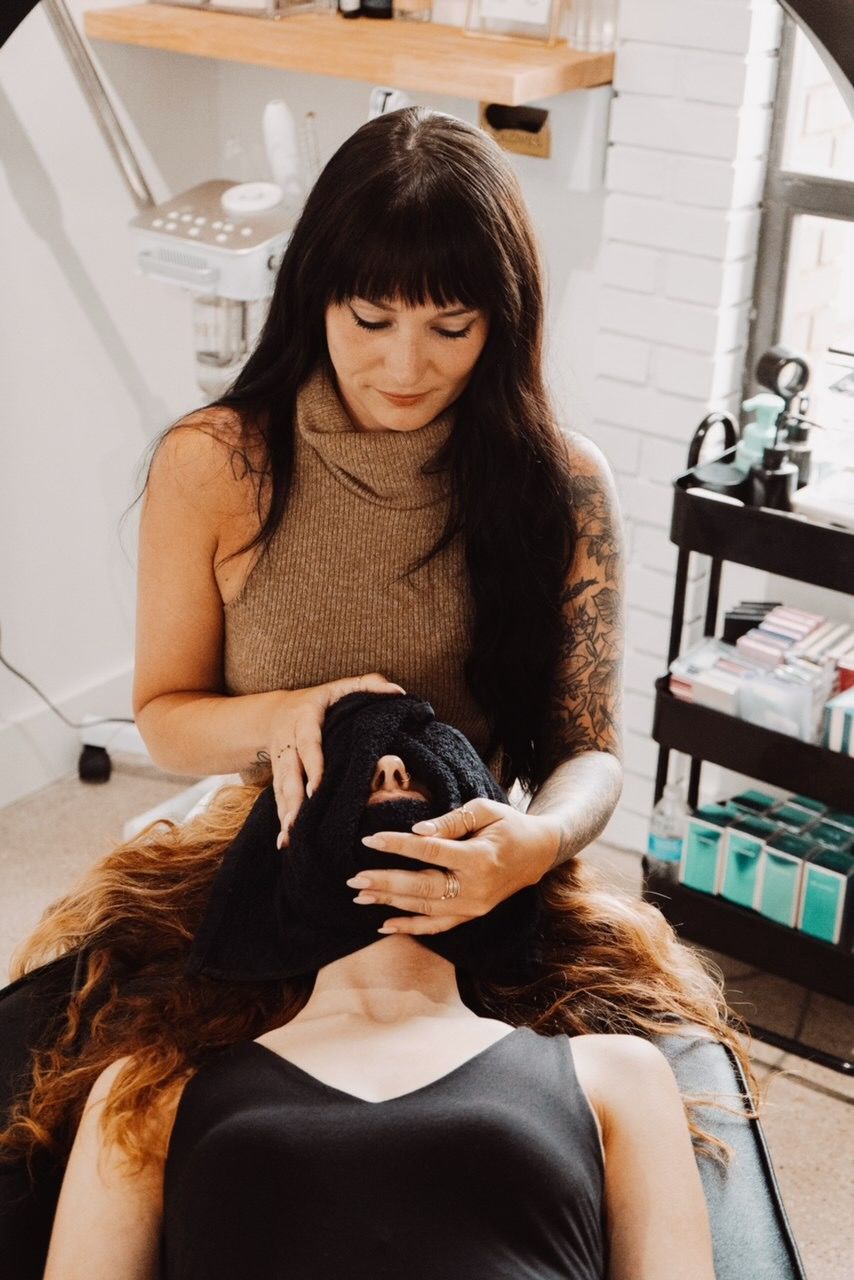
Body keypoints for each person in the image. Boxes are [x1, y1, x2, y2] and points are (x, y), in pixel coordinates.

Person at [2, 695, 760, 1279]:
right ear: (276, 859)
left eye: (423, 767)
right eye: (354, 769)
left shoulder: (617, 1074)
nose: (395, 771)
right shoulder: (151, 1091)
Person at [128, 105, 624, 946]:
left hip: (468, 872)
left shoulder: (564, 483)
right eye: (371, 320)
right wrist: (282, 715)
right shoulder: (216, 463)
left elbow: (592, 753)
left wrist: (534, 841)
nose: (405, 367)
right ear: (315, 296)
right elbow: (163, 715)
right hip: (272, 860)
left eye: (450, 328)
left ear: (501, 324)